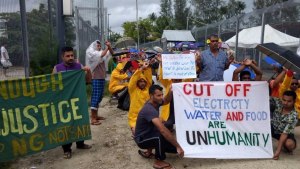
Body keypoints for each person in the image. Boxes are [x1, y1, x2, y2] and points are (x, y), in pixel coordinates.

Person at [52, 46, 92, 159]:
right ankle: (66, 149)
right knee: (66, 125)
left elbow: (88, 80)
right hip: (64, 103)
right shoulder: (57, 68)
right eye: (67, 56)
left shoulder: (79, 66)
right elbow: (53, 85)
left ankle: (80, 143)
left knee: (80, 121)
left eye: (72, 55)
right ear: (62, 57)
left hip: (78, 100)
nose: (70, 58)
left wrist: (88, 71)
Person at [134, 85, 184, 169]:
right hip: (141, 139)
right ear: (151, 95)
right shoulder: (149, 109)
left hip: (147, 134)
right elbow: (163, 131)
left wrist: (171, 91)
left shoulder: (156, 102)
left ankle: (149, 152)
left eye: (162, 94)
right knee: (161, 134)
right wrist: (178, 146)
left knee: (172, 147)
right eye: (158, 95)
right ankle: (159, 161)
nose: (161, 97)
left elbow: (167, 101)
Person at [86, 40, 114, 125]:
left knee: (99, 96)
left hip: (101, 77)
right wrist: (107, 47)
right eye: (97, 46)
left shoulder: (101, 52)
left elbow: (112, 53)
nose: (99, 47)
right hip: (96, 78)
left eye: (100, 46)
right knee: (95, 97)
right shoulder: (91, 54)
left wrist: (109, 47)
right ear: (94, 46)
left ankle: (96, 115)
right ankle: (93, 118)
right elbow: (101, 55)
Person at [270, 90, 298, 160]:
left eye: (289, 101)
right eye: (284, 100)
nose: (285, 103)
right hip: (272, 128)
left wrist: (278, 151)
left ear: (294, 101)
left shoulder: (294, 115)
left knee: (289, 145)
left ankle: (283, 145)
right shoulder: (278, 102)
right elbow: (265, 97)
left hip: (284, 133)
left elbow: (284, 134)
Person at [128, 61, 152, 134]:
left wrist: (147, 68)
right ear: (137, 82)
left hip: (146, 115)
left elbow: (149, 78)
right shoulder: (133, 90)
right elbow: (133, 79)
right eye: (140, 81)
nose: (142, 83)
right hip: (135, 117)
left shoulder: (147, 89)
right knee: (136, 133)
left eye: (144, 81)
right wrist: (141, 69)